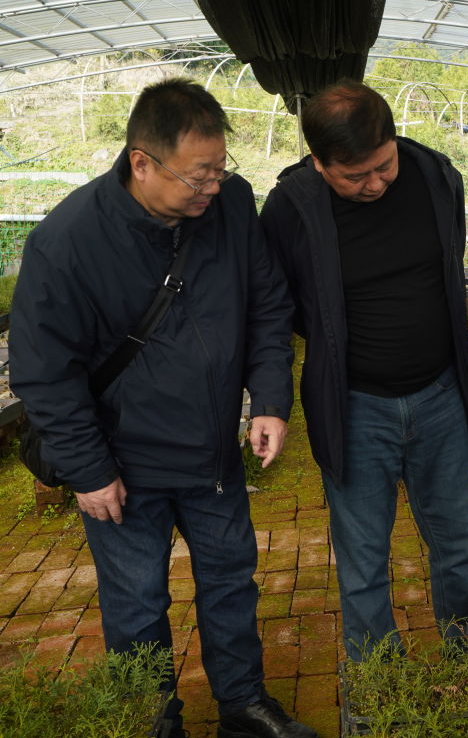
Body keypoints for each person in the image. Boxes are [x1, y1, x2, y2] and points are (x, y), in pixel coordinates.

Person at [10, 79, 313, 738]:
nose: (212, 189)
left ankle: (244, 707)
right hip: (123, 467)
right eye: (197, 177)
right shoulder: (66, 243)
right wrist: (88, 470)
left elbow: (267, 304)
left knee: (232, 584)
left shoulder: (230, 205)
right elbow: (43, 371)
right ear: (141, 163)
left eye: (219, 170)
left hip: (210, 457)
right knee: (137, 600)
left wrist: (268, 399)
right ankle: (153, 720)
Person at [259, 80, 468, 660]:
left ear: (393, 141)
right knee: (363, 561)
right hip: (355, 405)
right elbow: (278, 304)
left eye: (383, 166)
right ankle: (379, 683)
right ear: (318, 163)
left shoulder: (435, 176)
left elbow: (448, 262)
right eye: (355, 175)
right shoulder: (292, 206)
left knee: (459, 545)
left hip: (439, 394)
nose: (376, 183)